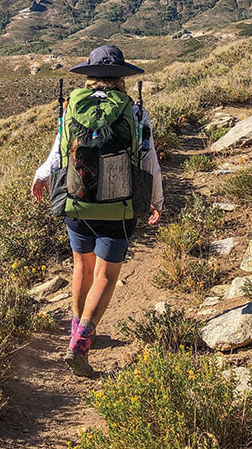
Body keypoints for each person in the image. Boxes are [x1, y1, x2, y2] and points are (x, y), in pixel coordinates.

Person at [31, 44, 163, 377]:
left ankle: (77, 331)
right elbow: (149, 160)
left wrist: (42, 176)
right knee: (106, 274)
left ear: (89, 76)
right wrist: (155, 201)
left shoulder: (72, 107)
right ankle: (82, 342)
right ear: (122, 78)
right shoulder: (133, 112)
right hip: (117, 206)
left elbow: (60, 150)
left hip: (76, 200)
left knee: (82, 268)